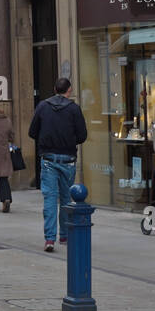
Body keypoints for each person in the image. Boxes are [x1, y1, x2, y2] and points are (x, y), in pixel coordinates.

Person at [27, 78, 88, 252]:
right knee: (66, 198)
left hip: (48, 159)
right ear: (69, 90)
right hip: (68, 159)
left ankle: (49, 239)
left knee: (50, 199)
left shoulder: (42, 107)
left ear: (54, 89)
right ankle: (65, 235)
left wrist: (47, 138)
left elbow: (32, 132)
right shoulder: (74, 109)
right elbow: (82, 136)